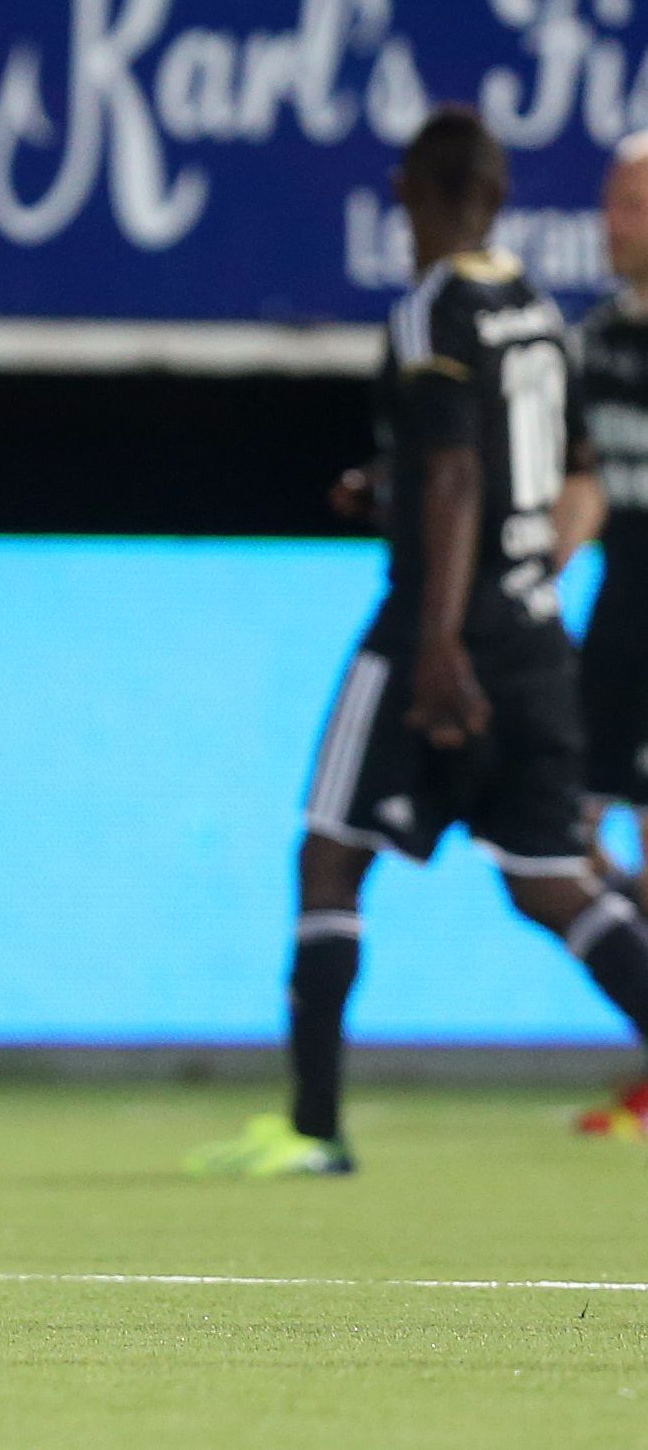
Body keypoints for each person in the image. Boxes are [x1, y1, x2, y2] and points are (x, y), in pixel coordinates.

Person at [189, 107, 648, 1180]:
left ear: (412, 192)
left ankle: (312, 1130)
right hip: (533, 634)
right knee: (551, 879)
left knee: (330, 855)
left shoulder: (431, 312)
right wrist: (449, 524)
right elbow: (572, 469)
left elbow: (454, 475)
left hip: (431, 633)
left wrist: (439, 641)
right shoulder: (539, 314)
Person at [568, 133, 648, 1138]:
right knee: (563, 840)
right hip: (620, 610)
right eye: (611, 201)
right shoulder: (593, 343)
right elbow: (583, 490)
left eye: (631, 203)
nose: (611, 222)